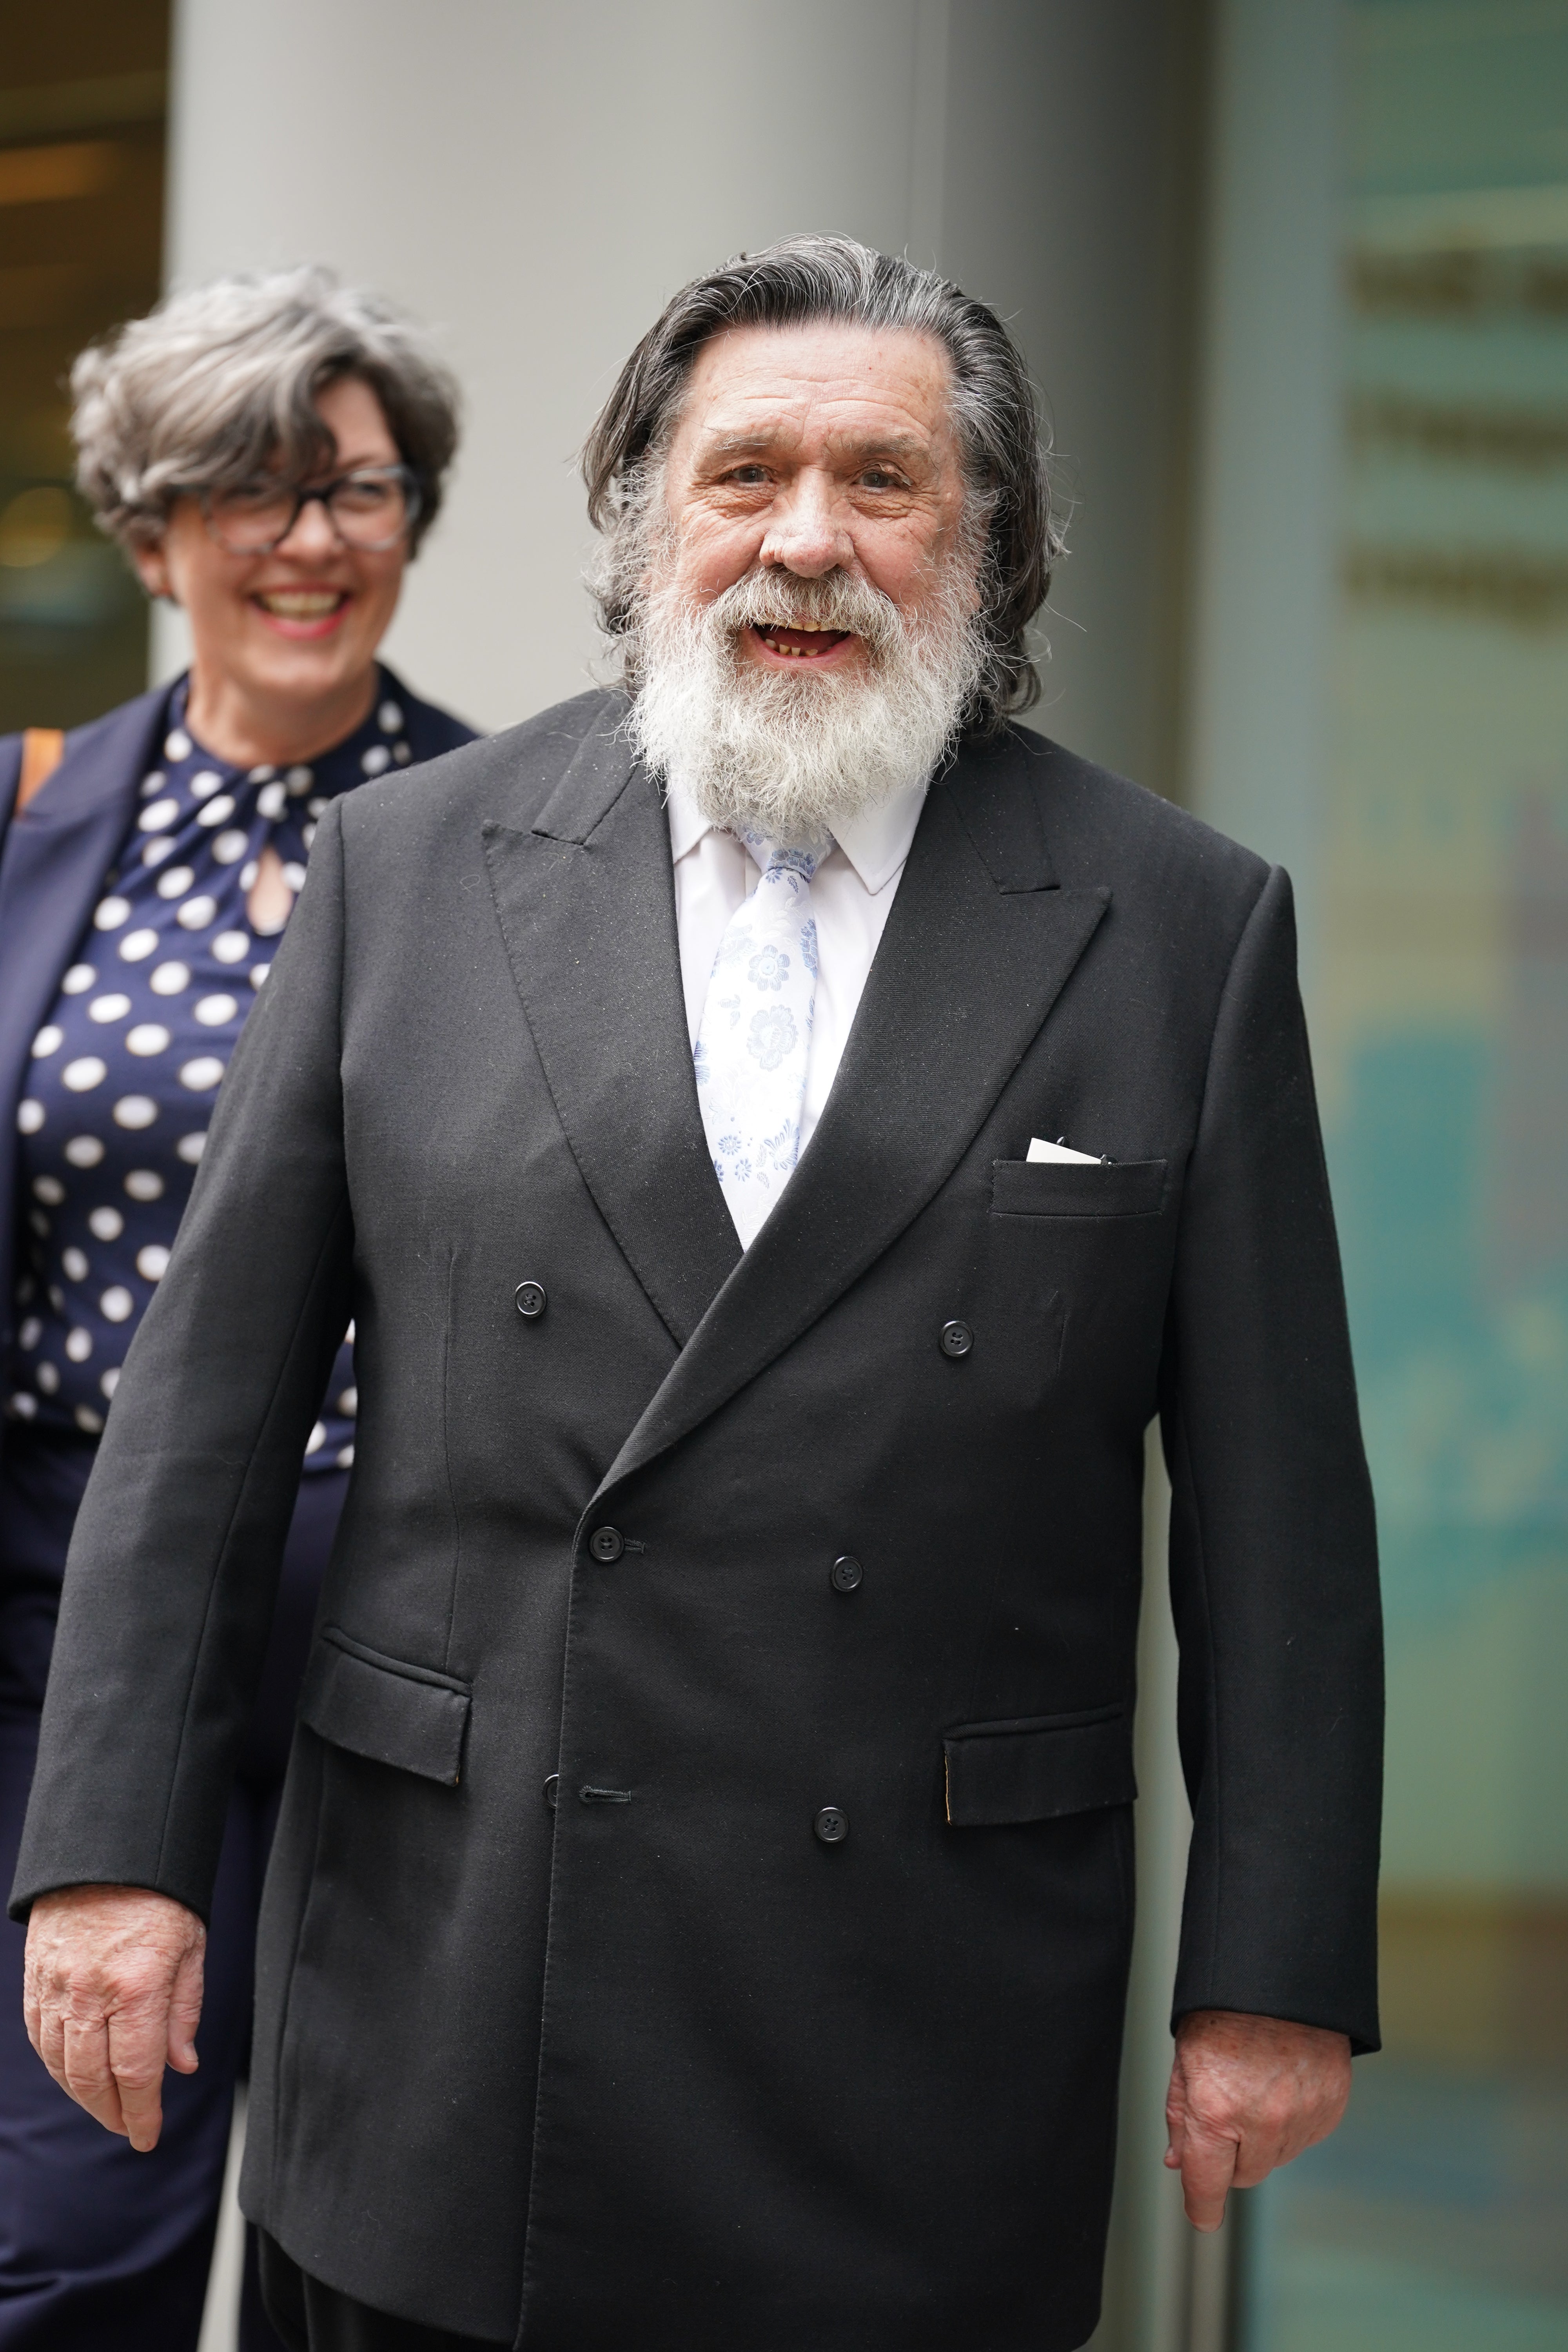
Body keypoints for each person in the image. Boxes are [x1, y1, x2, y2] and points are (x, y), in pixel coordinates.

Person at [12, 239, 1382, 2352]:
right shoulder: (409, 869)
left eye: (887, 482)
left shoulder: (1180, 925)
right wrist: (110, 1860)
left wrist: (1270, 1971)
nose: (808, 543)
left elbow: (1284, 1519)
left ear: (990, 543)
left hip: (920, 2018)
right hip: (457, 1982)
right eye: (745, 477)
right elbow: (202, 1420)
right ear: (648, 520)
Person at [0, 267, 475, 2350]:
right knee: (62, 2238)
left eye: (356, 491)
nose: (305, 541)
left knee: (387, 2245)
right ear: (150, 526)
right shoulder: (25, 825)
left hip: (423, 1627)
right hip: (68, 1613)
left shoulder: (527, 839)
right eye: (245, 490)